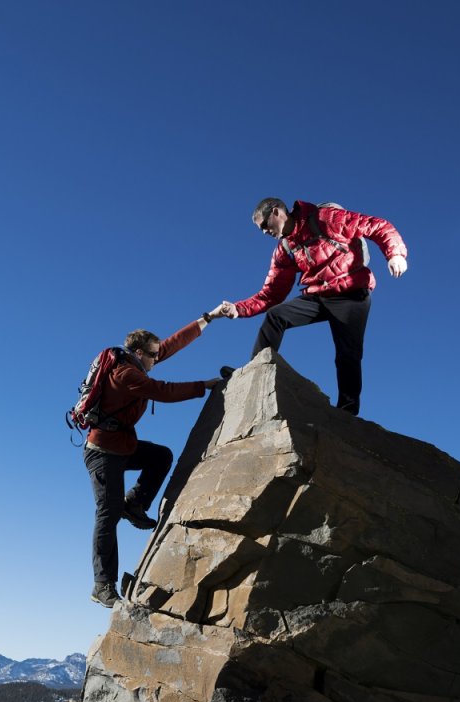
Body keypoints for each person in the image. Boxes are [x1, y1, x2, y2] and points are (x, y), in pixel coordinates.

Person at [215, 198, 408, 415]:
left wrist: (395, 254)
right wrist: (238, 309)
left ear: (276, 212)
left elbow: (378, 226)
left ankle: (347, 410)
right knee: (276, 315)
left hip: (351, 294)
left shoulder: (325, 219)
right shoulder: (285, 249)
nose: (264, 232)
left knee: (348, 354)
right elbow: (272, 293)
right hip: (319, 297)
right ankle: (253, 372)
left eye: (264, 225)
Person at [84, 311, 225, 608]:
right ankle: (102, 585)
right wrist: (205, 386)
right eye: (152, 355)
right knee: (107, 516)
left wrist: (207, 319)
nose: (156, 358)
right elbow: (162, 391)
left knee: (160, 456)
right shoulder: (125, 374)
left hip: (122, 446)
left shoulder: (138, 362)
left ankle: (134, 504)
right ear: (138, 353)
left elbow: (171, 344)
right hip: (103, 454)